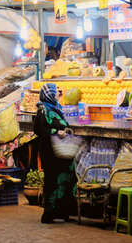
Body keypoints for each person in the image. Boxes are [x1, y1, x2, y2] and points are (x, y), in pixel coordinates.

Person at [33, 83, 77, 223]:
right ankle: (48, 214)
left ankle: (62, 212)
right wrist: (55, 131)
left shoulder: (55, 107)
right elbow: (39, 130)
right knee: (52, 181)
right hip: (50, 151)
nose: (57, 94)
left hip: (60, 149)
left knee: (64, 179)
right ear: (48, 95)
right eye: (54, 92)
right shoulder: (43, 110)